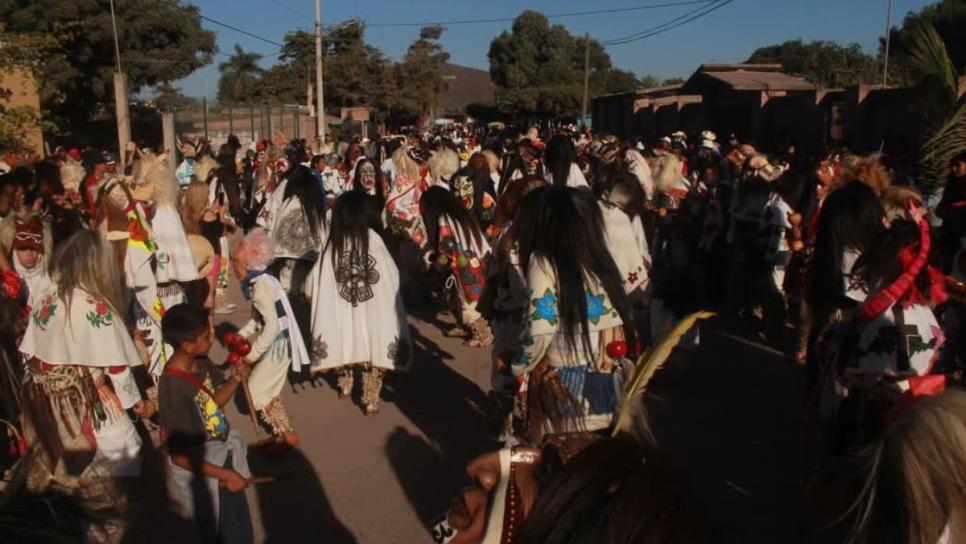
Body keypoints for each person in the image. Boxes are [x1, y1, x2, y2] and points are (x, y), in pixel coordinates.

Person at [18, 230, 149, 505]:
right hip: (88, 399)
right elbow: (116, 366)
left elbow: (30, 352)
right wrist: (136, 403)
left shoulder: (47, 297)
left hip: (45, 399)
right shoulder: (95, 306)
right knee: (126, 448)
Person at [511, 186, 636, 443]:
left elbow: (540, 328)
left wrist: (519, 365)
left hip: (565, 398)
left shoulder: (544, 261)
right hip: (610, 392)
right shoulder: (601, 261)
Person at [305, 191, 411, 414]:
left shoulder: (334, 244)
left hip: (343, 306)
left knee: (345, 342)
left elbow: (314, 281)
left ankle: (345, 385)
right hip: (373, 307)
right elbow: (392, 276)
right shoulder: (375, 240)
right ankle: (370, 399)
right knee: (373, 347)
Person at [159, 303, 254, 544]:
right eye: (206, 336)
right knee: (224, 534)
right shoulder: (173, 388)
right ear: (187, 345)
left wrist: (234, 379)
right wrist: (225, 474)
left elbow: (212, 403)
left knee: (241, 532)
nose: (212, 339)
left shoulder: (200, 362)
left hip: (222, 462)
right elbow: (179, 457)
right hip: (206, 472)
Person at [232, 229, 309, 446]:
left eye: (236, 262)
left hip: (278, 344)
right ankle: (284, 434)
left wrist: (252, 355)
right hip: (280, 341)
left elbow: (271, 325)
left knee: (256, 391)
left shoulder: (260, 288)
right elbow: (260, 319)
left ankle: (285, 433)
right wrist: (241, 334)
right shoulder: (265, 281)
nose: (233, 267)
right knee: (268, 389)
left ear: (249, 263)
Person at [421, 186, 494, 347]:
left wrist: (434, 270)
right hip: (476, 261)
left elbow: (446, 250)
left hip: (465, 266)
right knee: (456, 297)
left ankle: (482, 334)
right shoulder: (460, 215)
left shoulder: (444, 219)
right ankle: (466, 326)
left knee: (467, 302)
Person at [0, 213, 52, 309]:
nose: (29, 253)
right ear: (14, 250)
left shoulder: (52, 276)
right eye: (23, 249)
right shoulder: (4, 280)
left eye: (34, 248)